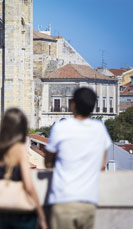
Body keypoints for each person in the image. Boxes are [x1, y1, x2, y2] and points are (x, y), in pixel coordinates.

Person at [45, 87, 112, 229]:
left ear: (72, 104)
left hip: (63, 200)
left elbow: (48, 162)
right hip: (88, 201)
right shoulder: (99, 129)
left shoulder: (61, 127)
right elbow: (102, 165)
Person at [0, 108, 47, 229]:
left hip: (2, 212)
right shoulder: (19, 148)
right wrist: (41, 215)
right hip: (21, 214)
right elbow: (28, 185)